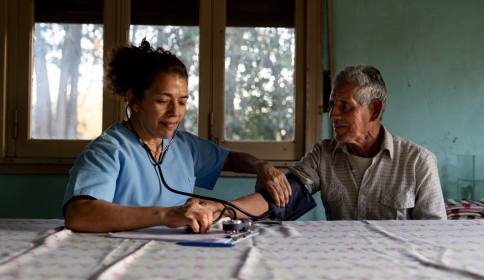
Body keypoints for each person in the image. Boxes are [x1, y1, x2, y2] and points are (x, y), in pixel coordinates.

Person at [63, 39, 291, 233]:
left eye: (182, 101)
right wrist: (168, 214)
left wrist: (262, 166)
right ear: (133, 99)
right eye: (163, 101)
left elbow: (230, 159)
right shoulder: (108, 150)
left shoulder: (184, 146)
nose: (175, 112)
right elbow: (79, 214)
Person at [206, 65, 447, 221]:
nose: (332, 115)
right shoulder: (324, 155)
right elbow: (280, 196)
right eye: (332, 105)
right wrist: (219, 210)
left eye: (345, 107)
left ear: (374, 110)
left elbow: (435, 238)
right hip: (340, 266)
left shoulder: (418, 162)